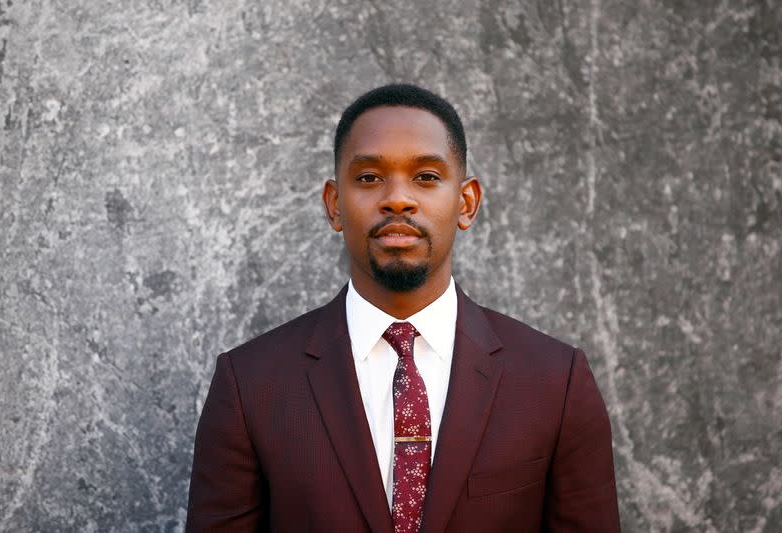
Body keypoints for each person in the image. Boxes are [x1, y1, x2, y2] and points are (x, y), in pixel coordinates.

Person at [186, 84, 620, 532]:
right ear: (334, 206)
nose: (397, 198)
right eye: (370, 177)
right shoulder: (250, 386)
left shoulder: (555, 383)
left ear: (466, 203)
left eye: (427, 177)